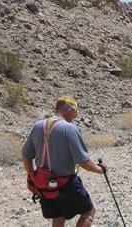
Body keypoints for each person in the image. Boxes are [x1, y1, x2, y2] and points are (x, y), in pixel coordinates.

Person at [21, 97, 106, 227]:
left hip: (43, 186)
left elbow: (26, 155)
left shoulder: (38, 126)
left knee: (58, 218)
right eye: (75, 113)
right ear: (69, 109)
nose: (74, 117)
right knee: (88, 212)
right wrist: (100, 170)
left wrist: (32, 175)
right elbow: (83, 161)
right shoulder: (69, 128)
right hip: (66, 182)